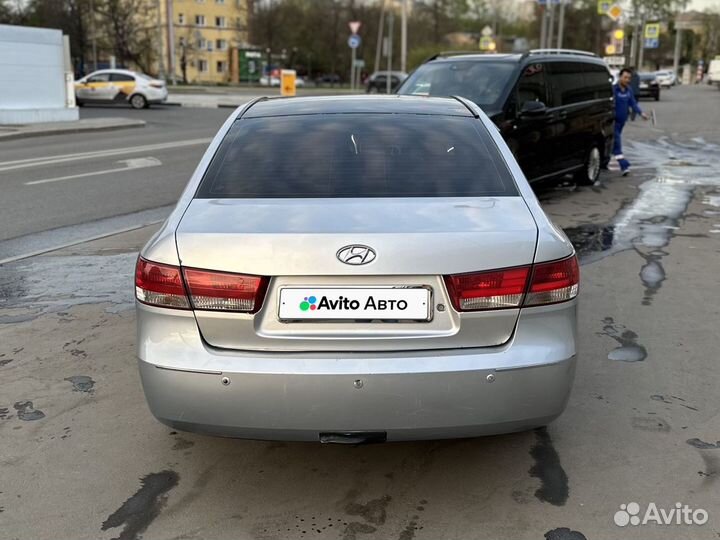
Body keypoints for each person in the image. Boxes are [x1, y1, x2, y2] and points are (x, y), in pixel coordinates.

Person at [613, 68, 648, 175]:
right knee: (617, 143)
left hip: (622, 122)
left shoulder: (629, 90)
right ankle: (624, 165)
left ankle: (603, 163)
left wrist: (641, 113)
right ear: (620, 77)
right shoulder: (614, 90)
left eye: (629, 78)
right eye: (625, 77)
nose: (627, 80)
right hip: (612, 121)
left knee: (612, 143)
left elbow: (633, 103)